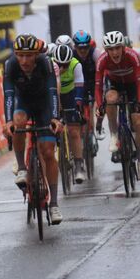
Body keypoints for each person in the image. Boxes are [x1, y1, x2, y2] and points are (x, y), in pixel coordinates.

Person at [3, 34, 63, 225]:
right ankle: (21, 167)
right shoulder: (10, 65)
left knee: (47, 151)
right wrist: (8, 121)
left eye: (29, 56)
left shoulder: (45, 63)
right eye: (20, 55)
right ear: (15, 54)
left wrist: (54, 117)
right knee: (18, 121)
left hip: (45, 105)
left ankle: (53, 204)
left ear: (36, 55)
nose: (24, 60)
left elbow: (53, 91)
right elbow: (9, 95)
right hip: (24, 103)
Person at [95, 31, 140, 180]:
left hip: (132, 85)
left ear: (123, 47)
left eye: (117, 48)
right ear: (106, 50)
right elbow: (98, 85)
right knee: (110, 98)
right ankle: (114, 134)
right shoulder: (102, 60)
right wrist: (100, 106)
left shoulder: (132, 56)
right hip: (115, 84)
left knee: (137, 121)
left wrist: (138, 103)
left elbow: (139, 81)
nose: (115, 52)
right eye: (110, 49)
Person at [54, 44, 86, 184]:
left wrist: (78, 104)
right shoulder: (51, 65)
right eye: (60, 64)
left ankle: (79, 166)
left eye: (65, 65)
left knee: (74, 131)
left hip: (71, 95)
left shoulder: (75, 64)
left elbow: (80, 87)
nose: (63, 68)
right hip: (55, 94)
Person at [72, 30, 104, 140]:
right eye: (80, 48)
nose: (83, 50)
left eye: (85, 47)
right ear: (75, 47)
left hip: (93, 82)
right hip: (78, 84)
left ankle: (99, 124)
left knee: (101, 104)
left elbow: (101, 71)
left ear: (89, 46)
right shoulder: (71, 55)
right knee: (80, 107)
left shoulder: (95, 53)